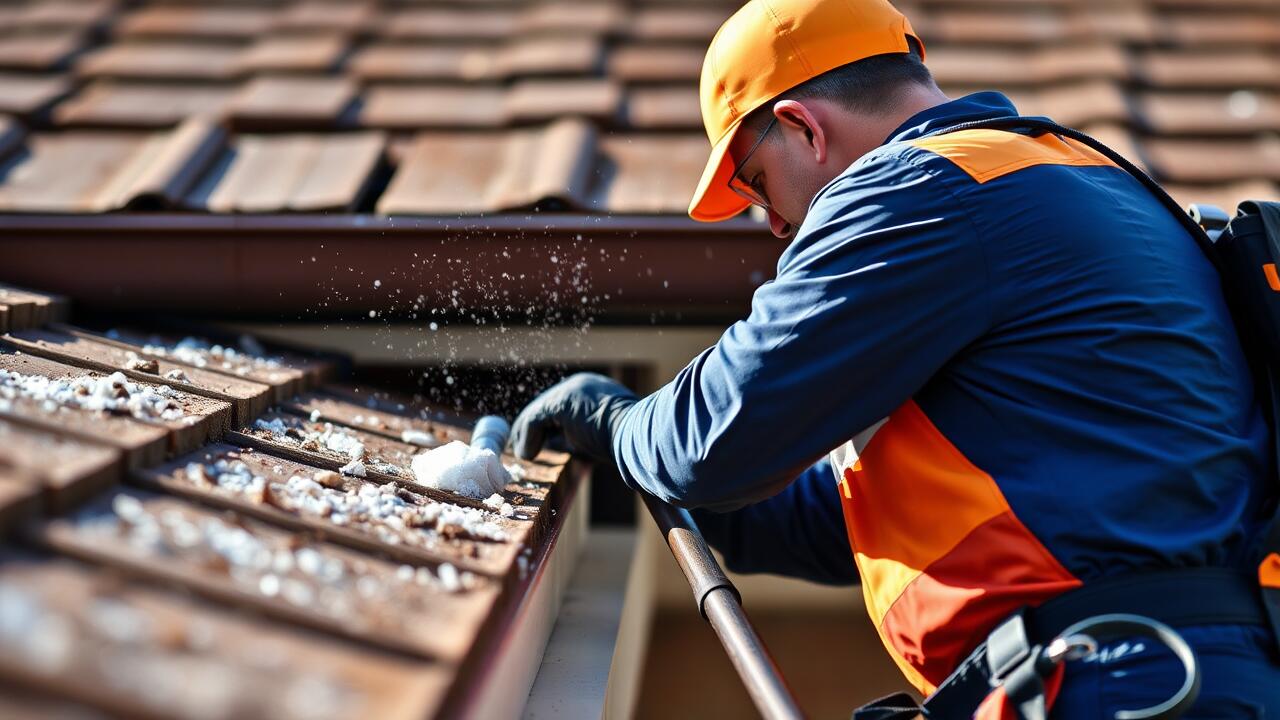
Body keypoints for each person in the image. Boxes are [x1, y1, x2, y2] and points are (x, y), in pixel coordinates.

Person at [512, 0, 1280, 715]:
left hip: (1112, 681)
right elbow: (851, 515)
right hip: (1193, 669)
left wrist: (620, 424)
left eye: (756, 183)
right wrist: (670, 477)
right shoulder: (1086, 176)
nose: (775, 225)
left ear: (804, 128)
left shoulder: (915, 190)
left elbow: (710, 439)